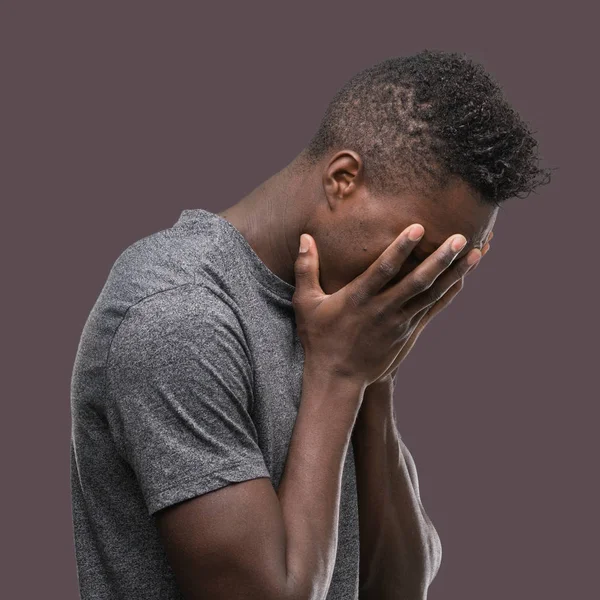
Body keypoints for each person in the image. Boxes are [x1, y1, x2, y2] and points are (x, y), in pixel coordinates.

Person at [70, 49, 551, 599]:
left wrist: (376, 377)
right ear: (343, 179)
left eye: (447, 266)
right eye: (419, 255)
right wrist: (340, 375)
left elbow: (397, 589)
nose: (421, 286)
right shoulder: (178, 317)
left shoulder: (340, 320)